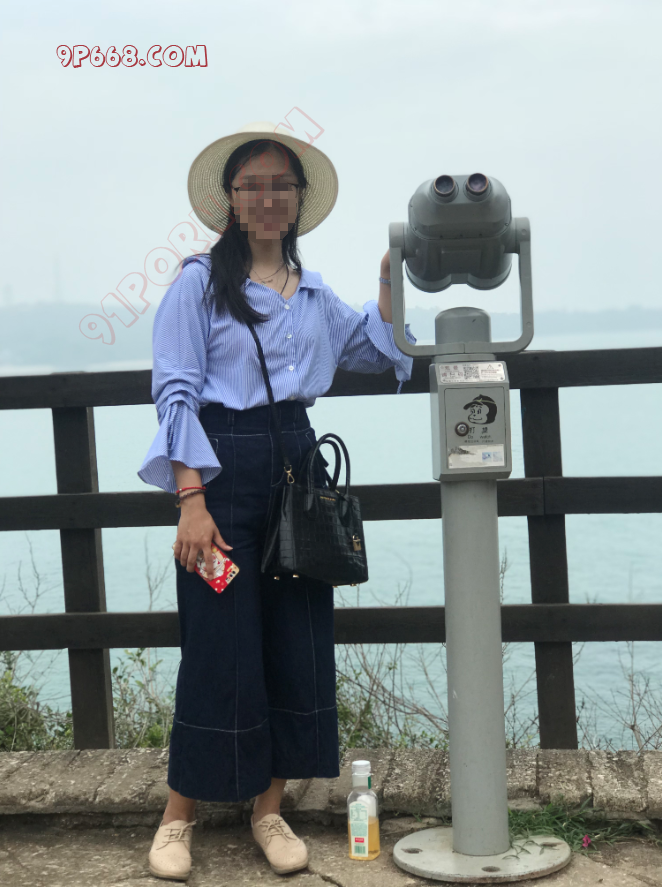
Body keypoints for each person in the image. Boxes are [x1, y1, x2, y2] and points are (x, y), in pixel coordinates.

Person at [137, 121, 417, 880]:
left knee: (296, 640)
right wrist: (190, 499)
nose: (266, 199)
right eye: (251, 186)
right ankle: (177, 817)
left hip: (298, 471)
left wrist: (390, 280)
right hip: (219, 475)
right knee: (218, 642)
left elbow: (381, 351)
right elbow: (175, 392)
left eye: (279, 186)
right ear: (230, 200)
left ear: (298, 200)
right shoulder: (198, 284)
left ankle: (269, 809)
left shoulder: (315, 295)